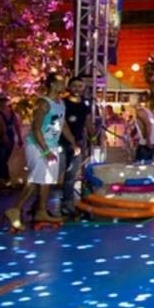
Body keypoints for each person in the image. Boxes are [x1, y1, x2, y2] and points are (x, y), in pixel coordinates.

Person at [5, 72, 77, 230]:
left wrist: (73, 142)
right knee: (36, 179)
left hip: (51, 145)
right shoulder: (43, 103)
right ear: (51, 84)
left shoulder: (61, 103)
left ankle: (41, 211)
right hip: (38, 146)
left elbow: (62, 125)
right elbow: (36, 129)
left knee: (47, 180)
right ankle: (15, 209)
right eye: (60, 81)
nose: (63, 84)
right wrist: (45, 151)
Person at [60, 76, 91, 217]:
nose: (77, 89)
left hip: (78, 143)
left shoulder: (85, 104)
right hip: (61, 143)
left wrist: (93, 136)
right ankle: (39, 204)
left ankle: (67, 204)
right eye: (74, 85)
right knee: (54, 175)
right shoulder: (62, 103)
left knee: (71, 175)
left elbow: (88, 121)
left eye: (80, 86)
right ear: (69, 86)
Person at [0, 93, 23, 192]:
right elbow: (17, 125)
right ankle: (5, 181)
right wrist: (20, 139)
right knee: (3, 160)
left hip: (1, 138)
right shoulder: (11, 112)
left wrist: (3, 136)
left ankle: (2, 181)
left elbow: (0, 125)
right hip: (10, 136)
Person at [132, 96, 154, 162]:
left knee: (141, 164)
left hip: (147, 142)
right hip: (151, 140)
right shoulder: (145, 110)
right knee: (147, 163)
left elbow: (148, 125)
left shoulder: (140, 111)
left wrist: (148, 140)